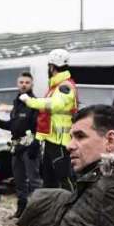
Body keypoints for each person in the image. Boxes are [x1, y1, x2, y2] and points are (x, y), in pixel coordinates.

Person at [23, 49, 78, 188]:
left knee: (65, 178)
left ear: (52, 67)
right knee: (49, 180)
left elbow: (54, 105)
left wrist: (31, 101)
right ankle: (52, 208)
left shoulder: (64, 86)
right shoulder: (55, 87)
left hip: (61, 142)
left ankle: (73, 207)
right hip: (51, 141)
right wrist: (39, 139)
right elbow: (46, 117)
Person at [0, 71, 41, 219]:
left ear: (32, 84)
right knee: (19, 180)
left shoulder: (34, 102)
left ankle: (38, 212)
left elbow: (39, 125)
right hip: (16, 146)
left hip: (30, 146)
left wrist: (36, 143)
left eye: (27, 82)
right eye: (21, 82)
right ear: (17, 84)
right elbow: (13, 125)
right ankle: (21, 210)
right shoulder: (16, 102)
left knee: (34, 181)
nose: (24, 85)